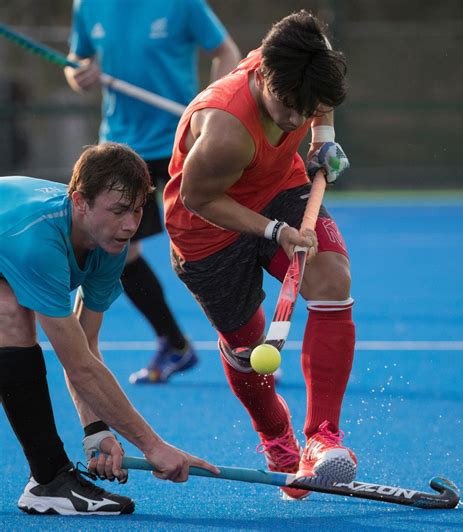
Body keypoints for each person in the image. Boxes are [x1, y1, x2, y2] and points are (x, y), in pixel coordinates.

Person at [163, 10, 356, 500]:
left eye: (307, 108)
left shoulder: (305, 69)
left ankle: (321, 438)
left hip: (279, 186)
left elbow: (321, 99)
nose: (295, 117)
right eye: (290, 106)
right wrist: (275, 231)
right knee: (250, 356)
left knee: (332, 280)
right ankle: (277, 438)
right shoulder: (226, 129)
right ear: (264, 76)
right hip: (207, 232)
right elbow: (198, 199)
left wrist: (323, 140)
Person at [0, 143, 218, 515]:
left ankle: (48, 480)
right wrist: (153, 446)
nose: (131, 224)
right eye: (118, 211)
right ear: (80, 201)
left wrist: (95, 431)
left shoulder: (109, 244)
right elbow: (81, 367)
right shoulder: (41, 243)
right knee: (10, 316)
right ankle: (50, 479)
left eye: (137, 210)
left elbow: (84, 347)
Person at [64, 0, 241, 384]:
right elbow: (75, 62)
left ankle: (244, 348)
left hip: (183, 138)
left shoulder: (182, 3)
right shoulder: (88, 6)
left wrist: (212, 106)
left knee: (214, 244)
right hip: (123, 146)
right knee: (120, 253)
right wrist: (78, 74)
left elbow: (225, 51)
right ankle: (175, 344)